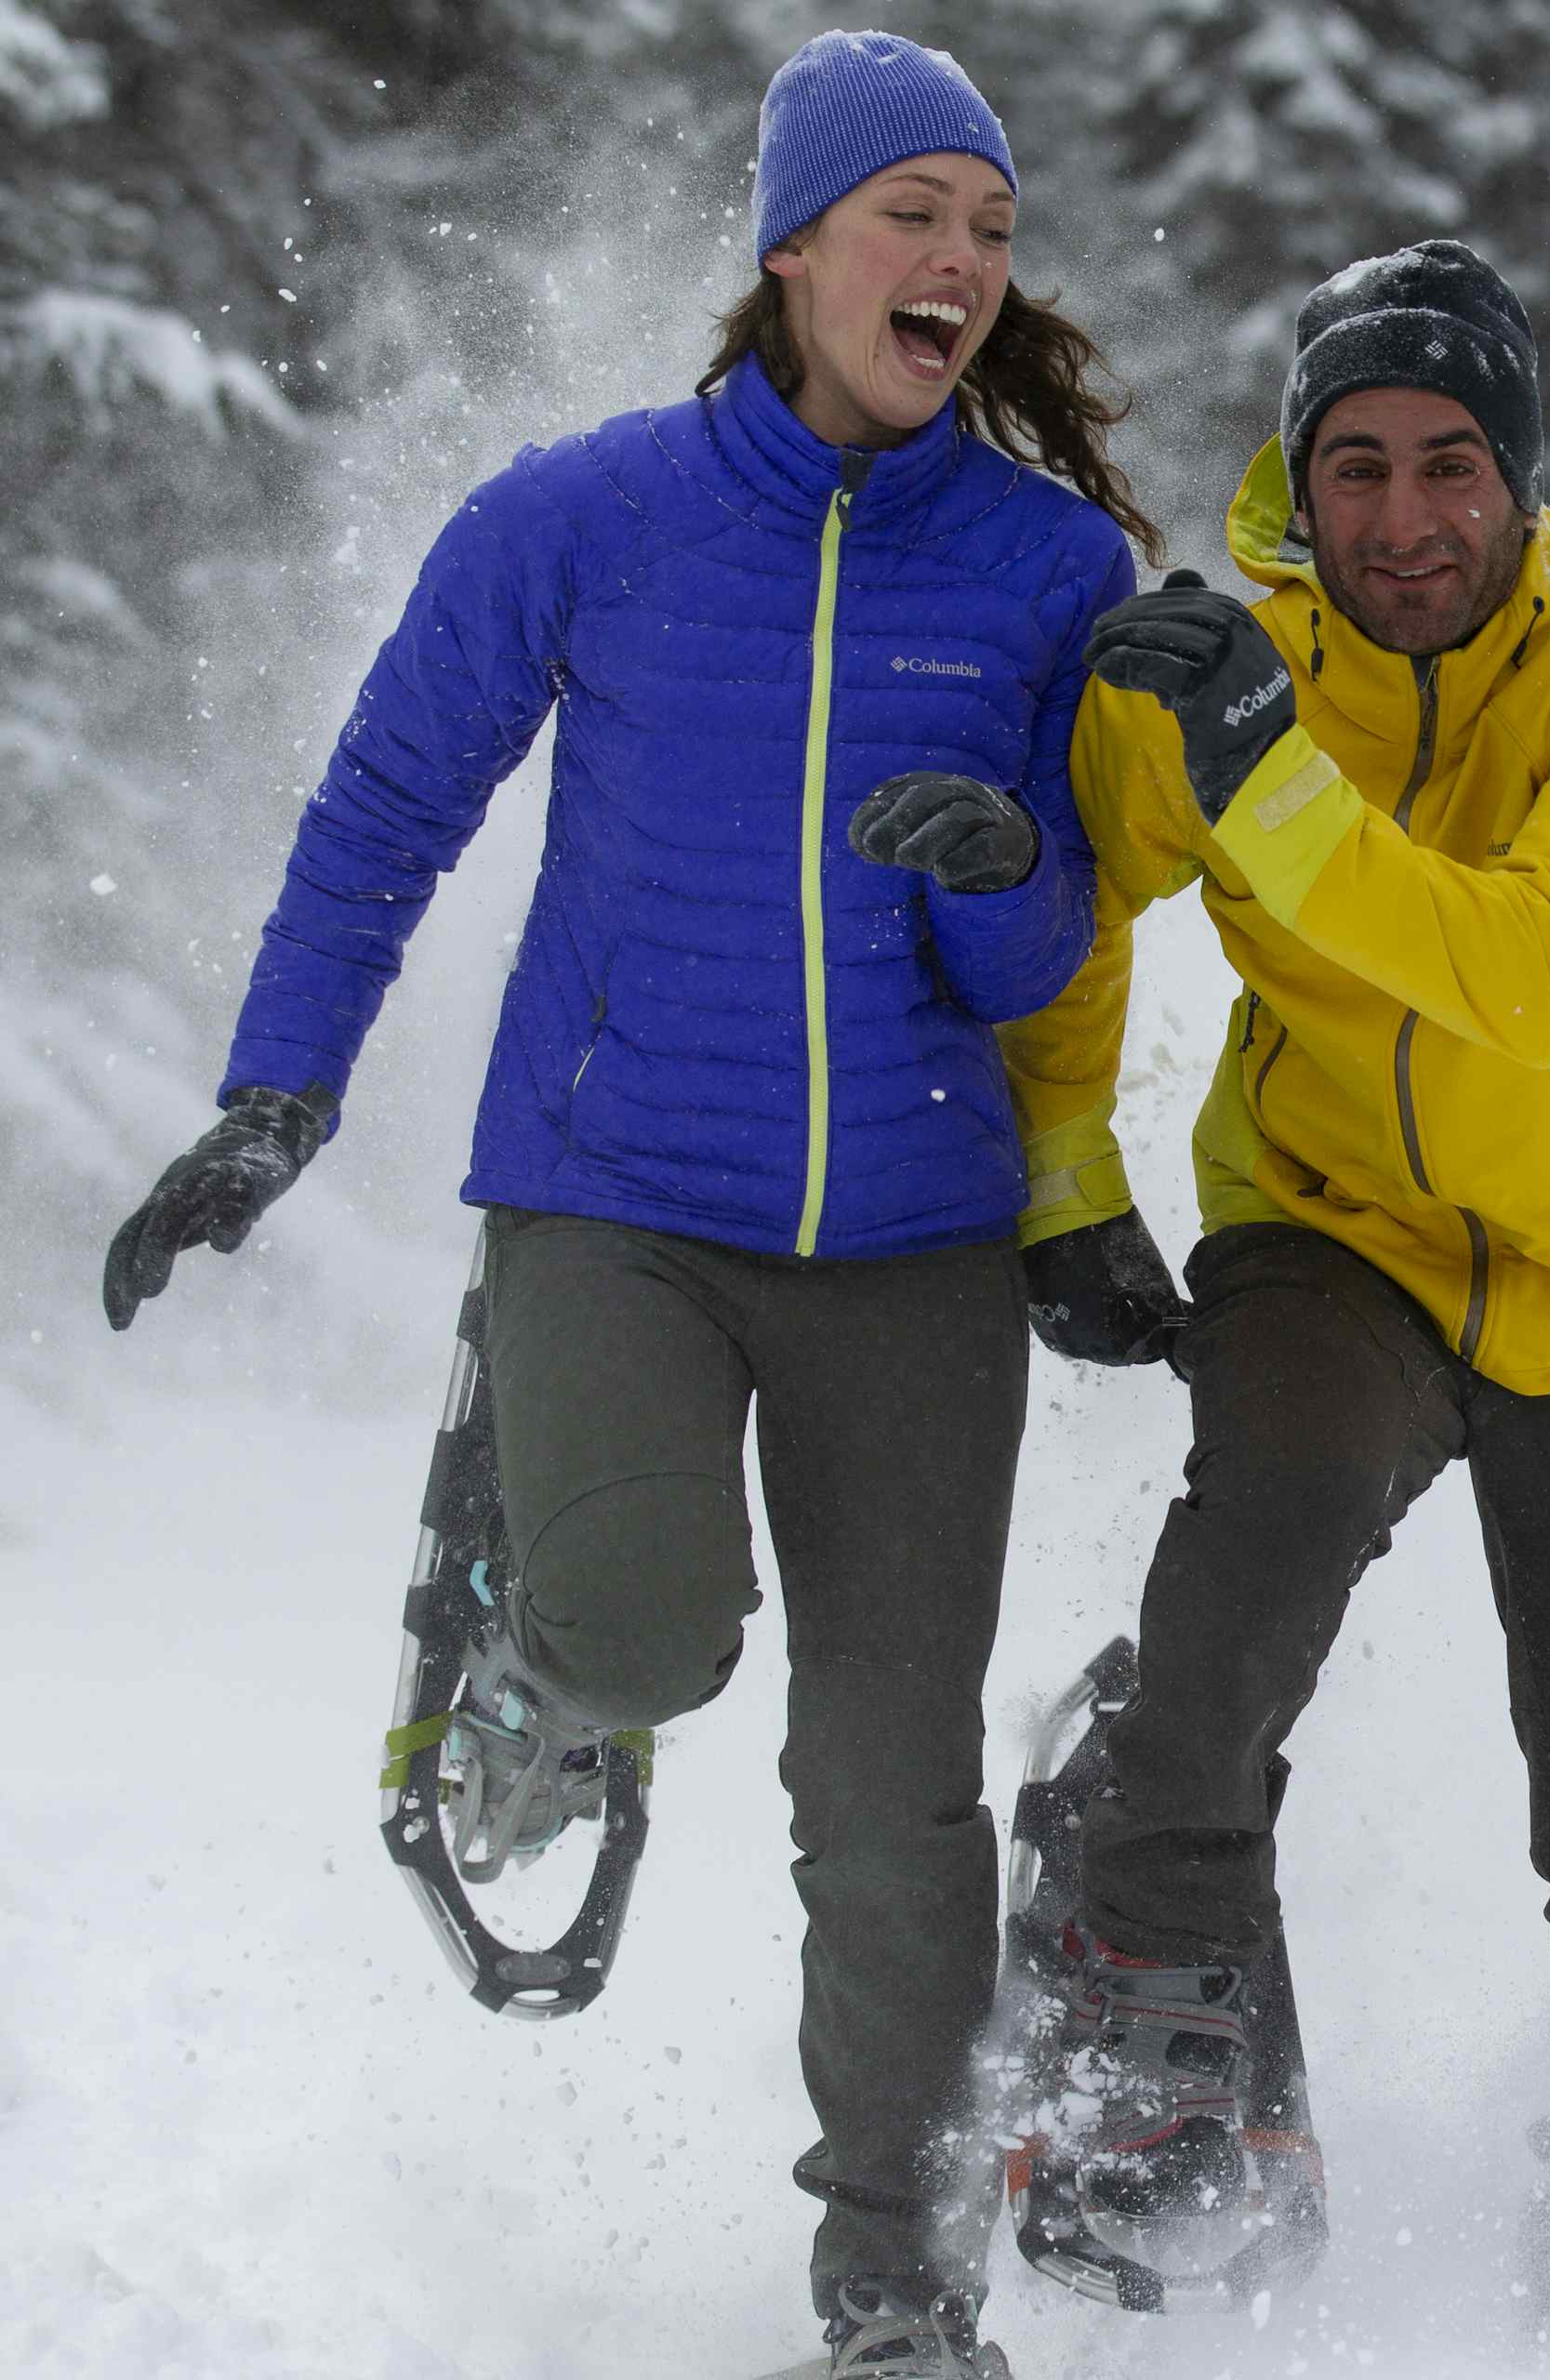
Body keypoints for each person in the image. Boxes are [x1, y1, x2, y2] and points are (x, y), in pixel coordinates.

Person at [96, 32, 1146, 2379]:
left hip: (910, 1240)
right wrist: (281, 1095)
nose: (962, 266)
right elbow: (390, 801)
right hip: (611, 1198)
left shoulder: (1052, 565)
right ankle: (525, 1653)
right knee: (651, 1634)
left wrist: (1003, 875)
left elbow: (1057, 948)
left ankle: (892, 2272)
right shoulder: (585, 518)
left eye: (989, 231)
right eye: (915, 220)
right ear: (796, 247)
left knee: (894, 1791)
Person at [1000, 238, 1550, 2333]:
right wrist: (1067, 1177)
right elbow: (1075, 894)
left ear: (1517, 478)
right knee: (1235, 1616)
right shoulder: (1228, 670)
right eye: (1355, 469)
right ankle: (1153, 2082)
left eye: (1449, 465)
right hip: (1330, 1236)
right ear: (1299, 479)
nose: (1404, 520)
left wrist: (1273, 773)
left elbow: (1533, 981)